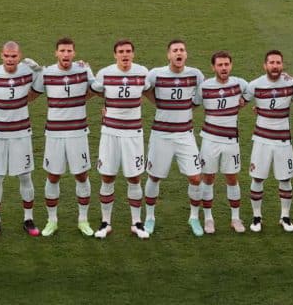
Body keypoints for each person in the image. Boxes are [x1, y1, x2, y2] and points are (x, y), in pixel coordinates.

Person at [30, 37, 96, 237]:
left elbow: (96, 90)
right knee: (53, 176)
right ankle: (52, 221)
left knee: (81, 175)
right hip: (55, 135)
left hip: (78, 133)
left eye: (69, 51)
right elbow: (31, 97)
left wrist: (78, 99)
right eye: (62, 51)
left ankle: (83, 220)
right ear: (56, 53)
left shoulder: (83, 70)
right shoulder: (47, 73)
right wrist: (31, 74)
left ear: (74, 53)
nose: (66, 54)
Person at [143, 39, 205, 236]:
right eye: (175, 50)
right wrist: (159, 103)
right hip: (161, 135)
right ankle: (150, 217)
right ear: (168, 55)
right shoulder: (156, 74)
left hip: (185, 135)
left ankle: (194, 217)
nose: (179, 53)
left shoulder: (195, 75)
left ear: (186, 55)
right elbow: (145, 89)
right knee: (154, 176)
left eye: (182, 50)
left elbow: (202, 96)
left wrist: (187, 109)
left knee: (195, 178)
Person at [90, 40, 151, 239]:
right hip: (110, 133)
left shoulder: (143, 72)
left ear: (133, 54)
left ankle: (137, 222)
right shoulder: (105, 73)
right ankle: (105, 222)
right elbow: (95, 90)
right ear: (115, 54)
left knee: (134, 177)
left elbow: (146, 93)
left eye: (128, 52)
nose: (125, 55)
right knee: (107, 176)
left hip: (133, 133)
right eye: (121, 52)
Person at [0, 41, 41, 238]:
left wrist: (39, 71)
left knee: (25, 176)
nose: (10, 60)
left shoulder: (27, 71)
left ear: (19, 55)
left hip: (21, 133)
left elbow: (39, 89)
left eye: (14, 56)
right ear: (1, 55)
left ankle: (28, 218)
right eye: (7, 56)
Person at [193, 51, 249, 234]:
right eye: (220, 65)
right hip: (210, 140)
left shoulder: (240, 84)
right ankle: (208, 219)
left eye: (226, 64)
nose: (223, 68)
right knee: (208, 178)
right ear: (213, 67)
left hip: (231, 140)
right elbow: (192, 104)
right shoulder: (205, 87)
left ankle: (235, 218)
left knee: (232, 178)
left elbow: (257, 89)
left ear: (231, 65)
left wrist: (244, 102)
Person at [242, 50, 293, 233]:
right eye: (271, 63)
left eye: (278, 62)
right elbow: (241, 101)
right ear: (265, 65)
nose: (275, 66)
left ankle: (285, 216)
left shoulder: (291, 83)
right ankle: (257, 216)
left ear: (283, 65)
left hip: (283, 141)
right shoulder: (255, 85)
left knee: (285, 179)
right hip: (262, 140)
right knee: (257, 178)